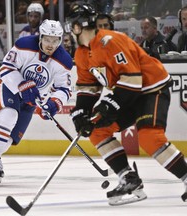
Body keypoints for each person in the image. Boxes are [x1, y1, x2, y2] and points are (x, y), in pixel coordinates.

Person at [66, 1, 187, 205]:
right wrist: (81, 112)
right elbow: (89, 88)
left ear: (78, 26)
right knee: (96, 130)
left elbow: (133, 79)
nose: (69, 30)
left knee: (149, 137)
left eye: (71, 25)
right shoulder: (81, 53)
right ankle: (129, 179)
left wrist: (110, 104)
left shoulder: (110, 41)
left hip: (151, 89)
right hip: (129, 93)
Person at [0, 19, 73, 186]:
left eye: (55, 41)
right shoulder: (24, 44)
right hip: (8, 88)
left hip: (30, 102)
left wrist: (54, 103)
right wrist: (22, 85)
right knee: (7, 117)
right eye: (47, 39)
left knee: (6, 141)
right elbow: (6, 67)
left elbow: (64, 88)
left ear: (60, 40)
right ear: (40, 36)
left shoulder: (64, 60)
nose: (50, 44)